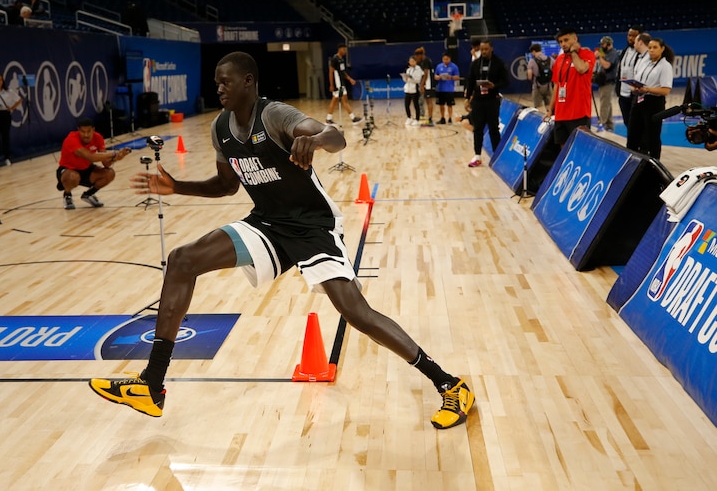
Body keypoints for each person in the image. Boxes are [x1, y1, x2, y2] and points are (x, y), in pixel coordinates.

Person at [88, 51, 475, 429]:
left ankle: (449, 383)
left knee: (355, 312)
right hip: (268, 224)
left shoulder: (273, 115)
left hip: (312, 227)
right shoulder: (220, 127)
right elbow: (225, 187)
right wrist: (178, 187)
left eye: (226, 81)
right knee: (182, 259)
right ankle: (151, 385)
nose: (219, 88)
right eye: (216, 82)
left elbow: (336, 136)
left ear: (248, 82)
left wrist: (317, 139)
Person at [56, 117, 131, 209]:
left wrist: (116, 158)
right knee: (73, 177)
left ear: (93, 130)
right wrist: (113, 153)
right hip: (68, 170)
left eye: (88, 131)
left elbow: (106, 163)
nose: (86, 135)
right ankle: (67, 195)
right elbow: (90, 157)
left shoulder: (98, 137)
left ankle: (88, 195)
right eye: (83, 132)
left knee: (110, 173)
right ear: (78, 130)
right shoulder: (71, 139)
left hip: (86, 169)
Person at [626, 36, 673, 159]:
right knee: (633, 134)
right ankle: (630, 160)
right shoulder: (645, 62)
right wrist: (634, 86)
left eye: (655, 47)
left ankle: (655, 163)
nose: (651, 50)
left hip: (654, 103)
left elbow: (666, 90)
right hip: (639, 99)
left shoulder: (665, 66)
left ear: (662, 49)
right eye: (650, 47)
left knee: (652, 136)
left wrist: (647, 89)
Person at [549, 26, 596, 147]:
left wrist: (574, 52)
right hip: (561, 113)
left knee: (580, 148)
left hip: (579, 112)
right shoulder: (559, 59)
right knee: (563, 148)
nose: (563, 44)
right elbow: (556, 85)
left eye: (566, 40)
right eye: (560, 42)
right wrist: (550, 109)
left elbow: (581, 68)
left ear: (575, 39)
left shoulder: (587, 54)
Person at [464, 39, 509, 167]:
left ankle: (496, 155)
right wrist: (467, 98)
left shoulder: (499, 63)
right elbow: (471, 81)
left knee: (494, 128)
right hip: (478, 101)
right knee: (477, 128)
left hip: (492, 100)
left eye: (486, 49)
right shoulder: (475, 64)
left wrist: (494, 85)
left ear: (491, 49)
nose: (483, 51)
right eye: (481, 49)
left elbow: (506, 82)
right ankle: (477, 155)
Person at [326, 44, 363, 125]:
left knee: (339, 100)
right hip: (337, 84)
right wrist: (332, 85)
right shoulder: (334, 59)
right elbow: (330, 73)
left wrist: (350, 79)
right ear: (339, 49)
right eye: (344, 49)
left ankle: (329, 119)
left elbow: (343, 72)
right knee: (343, 100)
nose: (345, 51)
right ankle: (353, 118)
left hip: (341, 83)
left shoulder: (341, 60)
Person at [616, 25, 644, 128]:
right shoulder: (624, 51)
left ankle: (641, 143)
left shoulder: (642, 54)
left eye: (634, 36)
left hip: (634, 95)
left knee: (637, 124)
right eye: (629, 35)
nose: (630, 38)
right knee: (627, 123)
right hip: (623, 95)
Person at [593, 36, 619, 131]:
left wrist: (600, 56)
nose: (601, 46)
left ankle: (602, 123)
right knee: (607, 103)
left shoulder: (613, 53)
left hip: (608, 82)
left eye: (603, 44)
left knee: (604, 103)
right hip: (602, 82)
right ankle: (609, 123)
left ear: (608, 44)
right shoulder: (605, 53)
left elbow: (607, 65)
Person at [434, 52, 460, 124]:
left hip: (449, 89)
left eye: (447, 59)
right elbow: (435, 76)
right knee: (441, 104)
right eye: (444, 59)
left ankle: (450, 118)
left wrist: (450, 77)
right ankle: (442, 118)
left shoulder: (454, 66)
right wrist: (438, 77)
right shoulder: (439, 66)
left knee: (449, 105)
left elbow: (457, 77)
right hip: (440, 88)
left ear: (450, 59)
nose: (445, 60)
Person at [526, 43, 553, 111]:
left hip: (537, 87)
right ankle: (550, 120)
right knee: (549, 107)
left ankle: (541, 121)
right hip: (548, 86)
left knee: (538, 108)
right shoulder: (550, 59)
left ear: (533, 51)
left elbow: (529, 76)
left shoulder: (532, 61)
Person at [414, 47, 434, 125]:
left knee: (429, 101)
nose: (416, 58)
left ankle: (430, 119)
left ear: (421, 55)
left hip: (428, 83)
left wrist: (422, 85)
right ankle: (429, 118)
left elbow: (426, 74)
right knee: (427, 100)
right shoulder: (422, 61)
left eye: (417, 56)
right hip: (426, 83)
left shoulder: (426, 61)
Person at [403, 55, 423, 126]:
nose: (411, 63)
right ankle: (409, 117)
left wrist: (411, 77)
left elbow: (417, 80)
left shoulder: (418, 69)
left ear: (415, 62)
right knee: (406, 104)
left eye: (412, 61)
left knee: (416, 105)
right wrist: (405, 77)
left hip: (415, 89)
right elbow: (405, 80)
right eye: (410, 61)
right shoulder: (408, 69)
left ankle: (417, 119)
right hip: (408, 89)